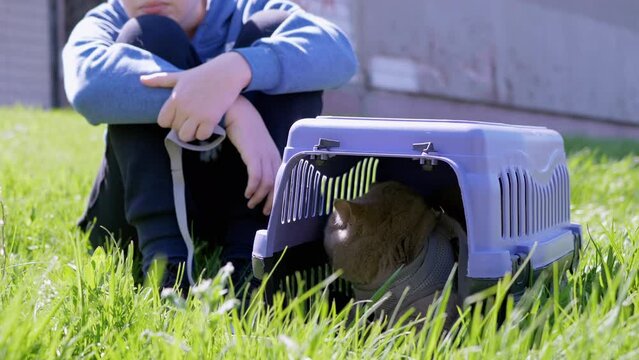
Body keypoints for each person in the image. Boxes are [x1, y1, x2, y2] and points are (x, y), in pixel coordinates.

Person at [62, 0, 357, 292]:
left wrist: (239, 67)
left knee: (272, 30)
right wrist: (231, 109)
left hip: (240, 193)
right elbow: (88, 87)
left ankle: (251, 264)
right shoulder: (110, 18)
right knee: (147, 32)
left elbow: (339, 54)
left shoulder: (247, 10)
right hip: (132, 212)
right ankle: (166, 267)